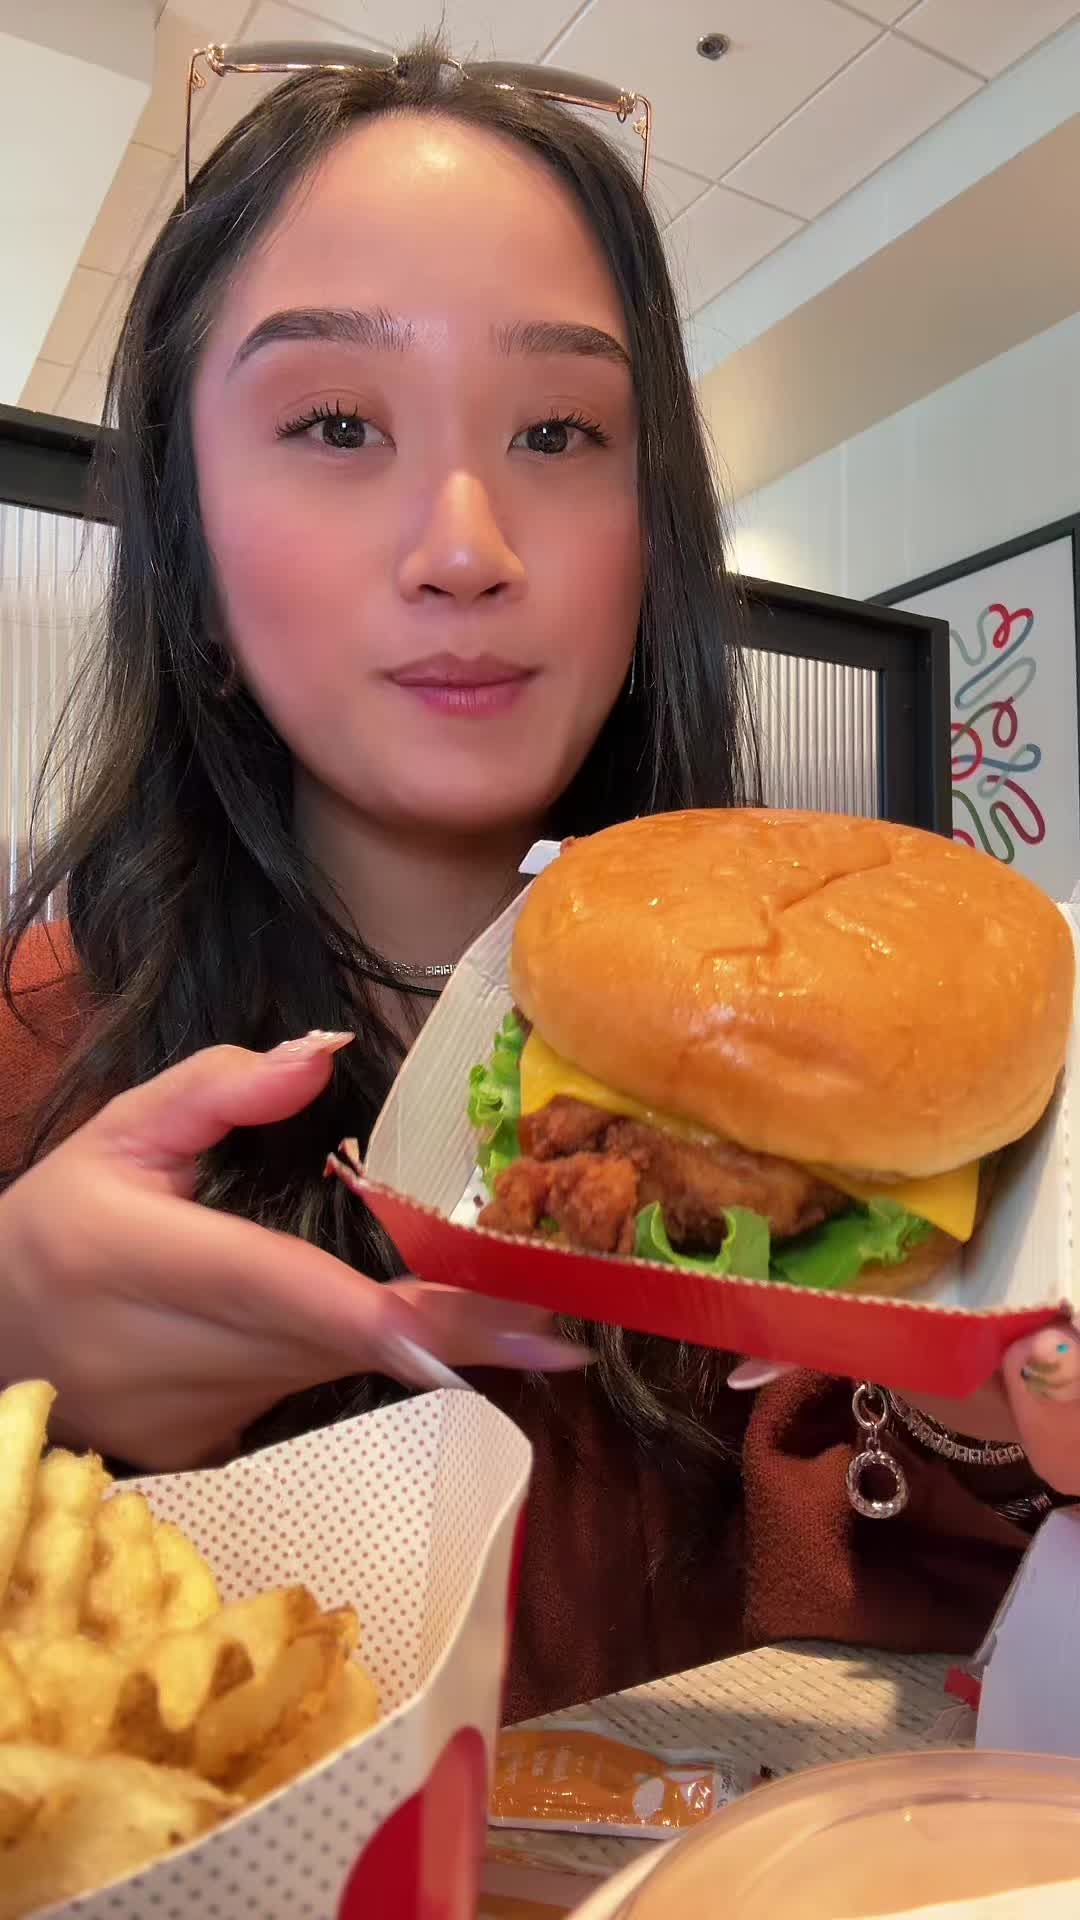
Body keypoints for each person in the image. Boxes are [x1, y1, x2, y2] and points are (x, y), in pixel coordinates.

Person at [1, 39, 1076, 1725]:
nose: (465, 544)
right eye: (336, 423)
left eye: (561, 429)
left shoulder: (883, 1066)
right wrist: (18, 1373)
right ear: (187, 543)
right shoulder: (35, 1049)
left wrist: (992, 1431)